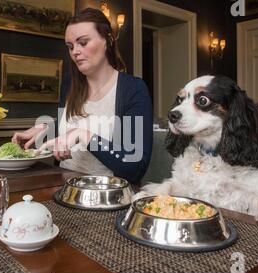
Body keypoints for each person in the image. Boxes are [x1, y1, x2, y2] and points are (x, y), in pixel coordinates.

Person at [12, 8, 153, 184]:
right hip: (64, 188)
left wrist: (85, 136)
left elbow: (135, 168)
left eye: (83, 43)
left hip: (109, 197)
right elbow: (73, 124)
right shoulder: (70, 84)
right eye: (70, 46)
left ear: (107, 40)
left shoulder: (133, 89)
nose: (75, 52)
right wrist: (45, 129)